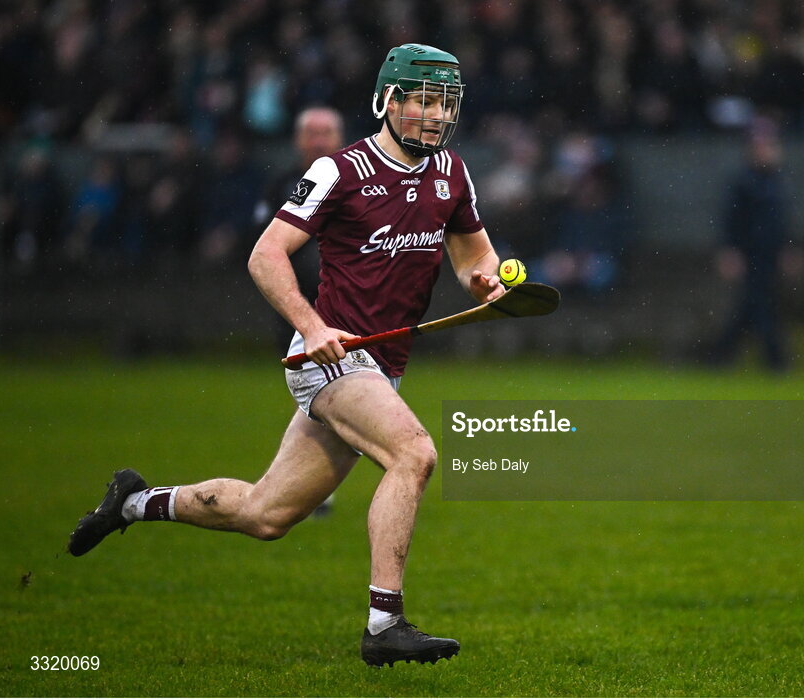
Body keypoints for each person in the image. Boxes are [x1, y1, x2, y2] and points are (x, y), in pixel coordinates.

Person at [68, 44, 506, 668]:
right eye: (423, 100)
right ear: (389, 101)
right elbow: (265, 255)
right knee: (415, 453)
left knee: (265, 514)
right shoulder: (340, 170)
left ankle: (134, 502)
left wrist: (484, 281)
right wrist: (312, 323)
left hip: (381, 369)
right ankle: (385, 625)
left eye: (446, 103)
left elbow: (472, 255)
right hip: (329, 358)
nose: (436, 116)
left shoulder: (451, 174)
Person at [254, 106, 345, 517]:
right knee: (311, 386)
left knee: (330, 385)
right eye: (312, 133)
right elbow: (262, 242)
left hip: (342, 300)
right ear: (297, 139)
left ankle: (309, 487)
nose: (320, 140)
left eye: (327, 132)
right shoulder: (279, 183)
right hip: (294, 301)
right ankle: (303, 485)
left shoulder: (353, 180)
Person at [706, 121, 802, 371]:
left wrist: (788, 248)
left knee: (751, 308)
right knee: (760, 306)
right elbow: (732, 221)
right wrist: (730, 251)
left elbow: (783, 222)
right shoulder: (743, 183)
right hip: (751, 254)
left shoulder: (779, 181)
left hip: (769, 254)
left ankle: (719, 356)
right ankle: (776, 360)